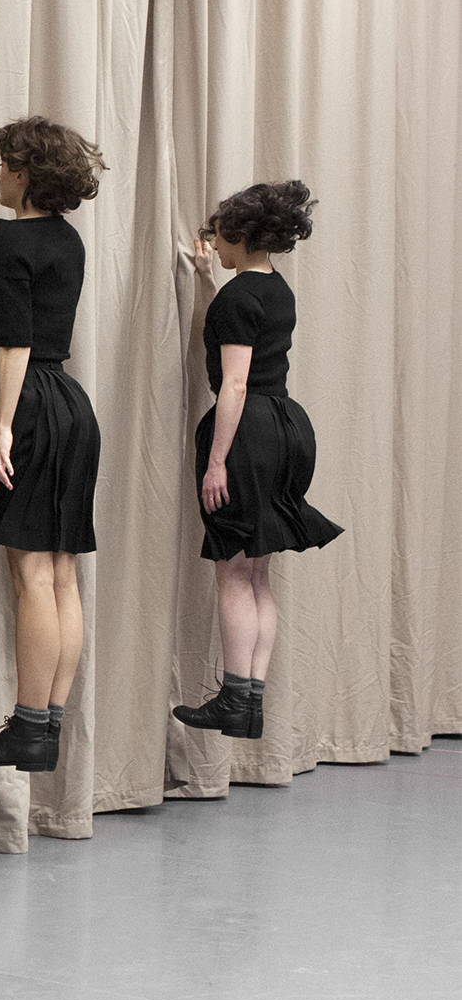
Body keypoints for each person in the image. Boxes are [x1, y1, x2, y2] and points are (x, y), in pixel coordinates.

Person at [0, 117, 106, 774]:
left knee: (31, 576)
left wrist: (2, 426)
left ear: (27, 173)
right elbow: (36, 302)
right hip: (71, 408)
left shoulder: (10, 239)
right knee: (62, 575)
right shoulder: (67, 241)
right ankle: (46, 724)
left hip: (30, 406)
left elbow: (13, 339)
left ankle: (29, 725)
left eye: (6, 163)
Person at [173, 181, 342, 742]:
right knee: (259, 570)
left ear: (241, 235)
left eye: (219, 234)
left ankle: (232, 697)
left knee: (233, 569)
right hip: (288, 430)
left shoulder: (238, 298)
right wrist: (203, 279)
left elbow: (234, 384)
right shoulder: (276, 291)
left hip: (248, 434)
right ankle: (249, 701)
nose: (213, 243)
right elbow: (221, 342)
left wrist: (217, 461)